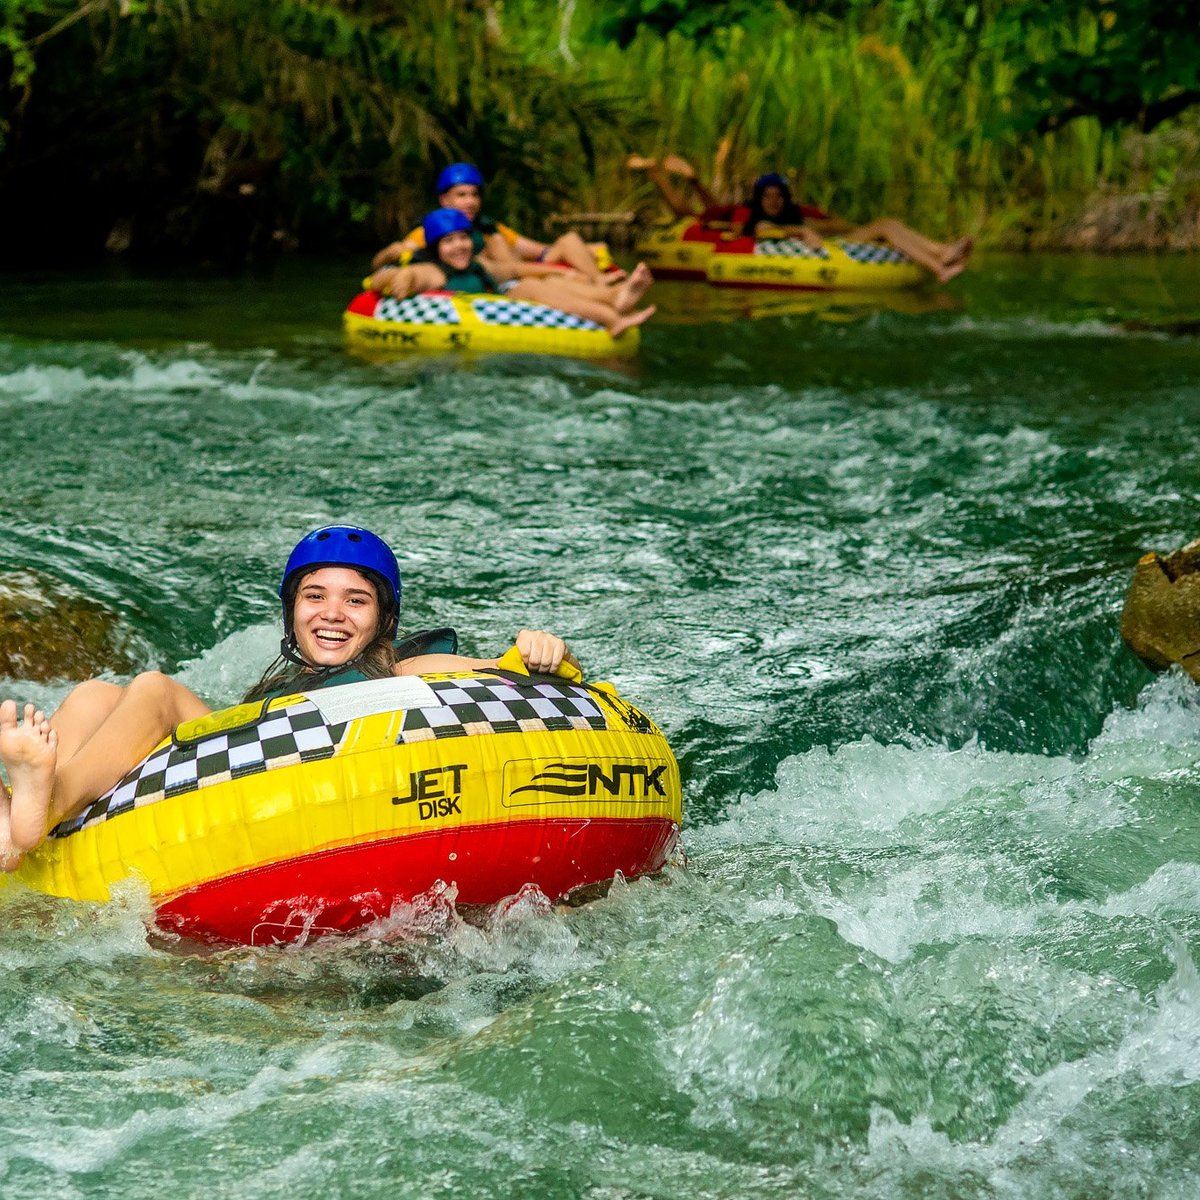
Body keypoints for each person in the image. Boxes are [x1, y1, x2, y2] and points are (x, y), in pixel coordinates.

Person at [0, 524, 578, 868]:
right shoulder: (282, 683)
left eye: (356, 601)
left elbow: (507, 675)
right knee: (96, 693)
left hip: (284, 783)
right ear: (291, 611)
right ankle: (29, 797)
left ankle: (39, 811)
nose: (331, 613)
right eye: (314, 596)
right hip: (232, 762)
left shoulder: (407, 666)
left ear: (383, 621)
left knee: (154, 688)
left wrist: (542, 650)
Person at [630, 154, 973, 283]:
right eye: (769, 196)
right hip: (812, 249)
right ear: (760, 198)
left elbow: (838, 224)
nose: (774, 201)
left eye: (779, 195)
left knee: (888, 223)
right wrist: (685, 179)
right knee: (886, 226)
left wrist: (814, 228)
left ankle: (941, 253)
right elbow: (702, 214)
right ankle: (940, 264)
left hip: (834, 243)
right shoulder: (748, 215)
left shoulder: (799, 212)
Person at [370, 209, 656, 337]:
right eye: (449, 241)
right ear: (435, 248)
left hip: (500, 297)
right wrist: (401, 278)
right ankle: (610, 316)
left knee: (537, 283)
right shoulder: (430, 271)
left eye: (464, 238)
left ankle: (616, 297)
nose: (459, 246)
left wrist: (566, 274)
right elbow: (385, 278)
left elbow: (516, 268)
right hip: (466, 316)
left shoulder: (480, 265)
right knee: (535, 290)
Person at [372, 163, 620, 286]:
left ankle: (599, 283)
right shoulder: (430, 233)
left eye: (474, 194)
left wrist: (584, 253)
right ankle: (597, 287)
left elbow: (540, 251)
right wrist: (389, 255)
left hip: (517, 273)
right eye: (461, 195)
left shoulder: (491, 228)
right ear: (444, 199)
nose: (470, 201)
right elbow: (399, 257)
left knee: (570, 240)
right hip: (497, 283)